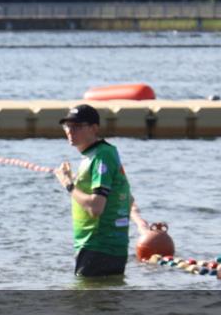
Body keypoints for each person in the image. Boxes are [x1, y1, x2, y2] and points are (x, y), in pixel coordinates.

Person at [53, 104, 150, 277]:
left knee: (86, 302)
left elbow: (95, 207)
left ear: (94, 128)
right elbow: (126, 196)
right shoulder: (99, 154)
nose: (70, 131)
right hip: (107, 249)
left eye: (77, 126)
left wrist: (67, 183)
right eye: (67, 126)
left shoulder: (101, 156)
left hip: (97, 248)